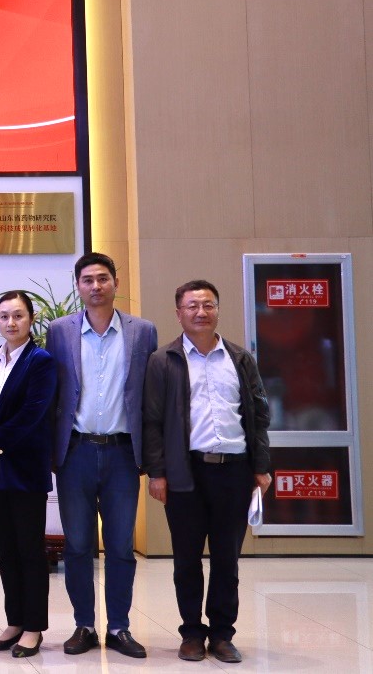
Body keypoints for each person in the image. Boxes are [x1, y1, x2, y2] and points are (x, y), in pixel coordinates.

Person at [144, 280, 271, 664]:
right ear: (178, 313)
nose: (201, 312)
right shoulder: (163, 360)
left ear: (217, 309)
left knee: (227, 559)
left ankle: (221, 634)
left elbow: (259, 414)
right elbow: (152, 421)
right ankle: (191, 633)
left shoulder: (240, 358)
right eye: (192, 306)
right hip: (185, 472)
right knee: (186, 559)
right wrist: (157, 472)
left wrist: (261, 466)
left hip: (234, 471)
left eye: (208, 305)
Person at [46, 252, 158, 657]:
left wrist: (153, 458)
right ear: (78, 286)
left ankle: (120, 627)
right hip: (75, 452)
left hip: (122, 454)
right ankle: (85, 625)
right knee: (77, 544)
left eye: (103, 278)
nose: (96, 286)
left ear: (115, 282)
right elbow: (54, 393)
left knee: (121, 545)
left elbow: (149, 397)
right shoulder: (59, 331)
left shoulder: (142, 332)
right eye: (88, 280)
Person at [0, 291, 58, 658]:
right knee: (7, 551)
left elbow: (31, 416)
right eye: (4, 316)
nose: (11, 322)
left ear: (31, 319)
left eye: (18, 315)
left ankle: (34, 627)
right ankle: (15, 620)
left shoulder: (41, 361)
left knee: (30, 551)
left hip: (25, 469)